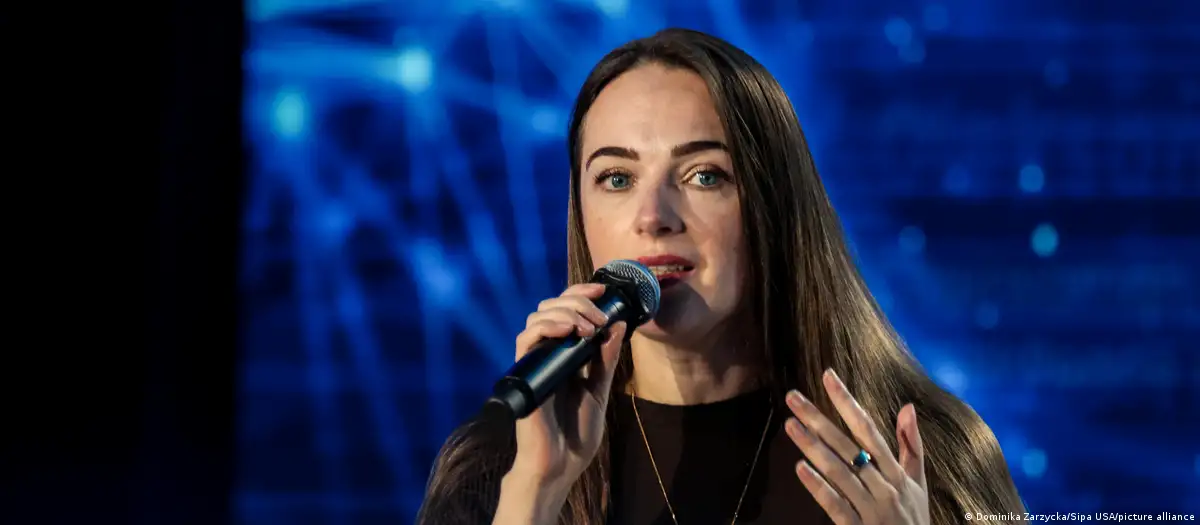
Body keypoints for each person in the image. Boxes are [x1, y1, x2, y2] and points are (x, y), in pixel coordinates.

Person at [415, 28, 1025, 525]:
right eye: (617, 179)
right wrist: (534, 492)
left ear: (772, 204)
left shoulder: (926, 455)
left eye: (704, 175)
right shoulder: (497, 468)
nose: (653, 217)